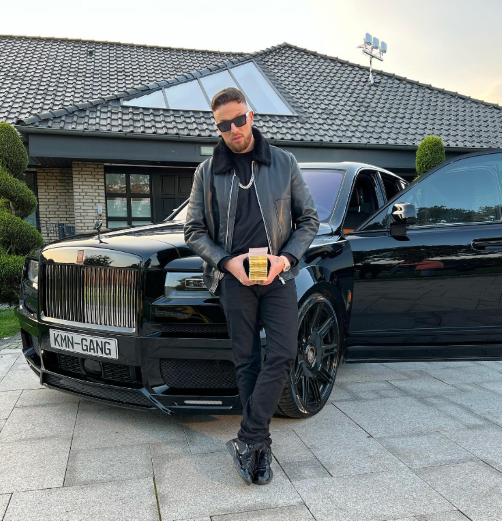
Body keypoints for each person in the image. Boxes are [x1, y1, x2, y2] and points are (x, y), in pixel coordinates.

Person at [184, 87, 319, 486]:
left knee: (284, 351)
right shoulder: (207, 172)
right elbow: (193, 230)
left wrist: (285, 259)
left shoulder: (283, 162)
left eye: (239, 120)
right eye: (224, 124)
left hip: (277, 276)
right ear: (217, 127)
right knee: (246, 360)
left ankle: (248, 435)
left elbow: (309, 220)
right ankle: (259, 445)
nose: (234, 130)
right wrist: (227, 263)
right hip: (235, 279)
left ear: (252, 116)